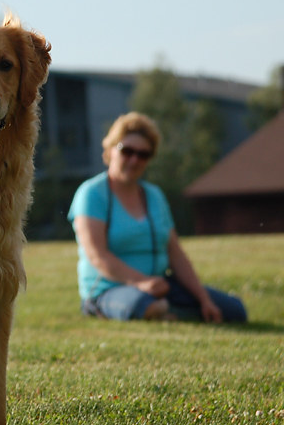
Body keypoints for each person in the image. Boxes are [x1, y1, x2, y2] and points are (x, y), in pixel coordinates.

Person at [68, 112, 247, 323]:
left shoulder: (155, 196)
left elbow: (175, 253)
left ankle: (170, 313)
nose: (135, 159)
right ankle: (165, 313)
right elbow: (97, 255)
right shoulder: (91, 193)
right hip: (111, 290)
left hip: (160, 287)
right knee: (144, 305)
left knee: (235, 310)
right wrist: (141, 282)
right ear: (109, 151)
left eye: (143, 154)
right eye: (127, 151)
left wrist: (203, 298)